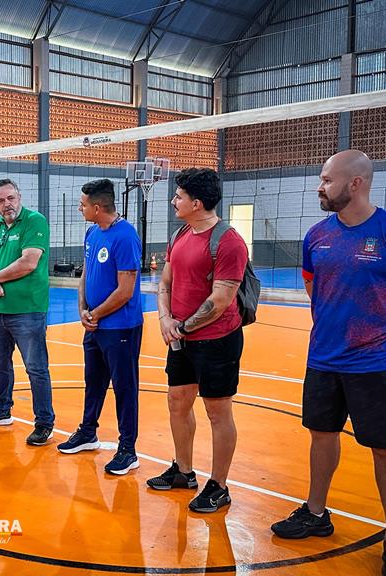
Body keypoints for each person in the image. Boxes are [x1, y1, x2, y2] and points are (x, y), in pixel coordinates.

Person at [271, 150, 386, 576]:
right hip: (324, 358)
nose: (319, 187)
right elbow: (315, 289)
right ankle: (316, 513)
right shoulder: (316, 236)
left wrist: (380, 327)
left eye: (327, 180)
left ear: (355, 183)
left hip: (377, 362)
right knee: (322, 436)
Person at [150, 167, 247, 513]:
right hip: (181, 338)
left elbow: (220, 300)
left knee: (218, 412)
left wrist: (181, 327)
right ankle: (183, 471)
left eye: (179, 196)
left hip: (217, 340)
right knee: (177, 402)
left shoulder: (229, 241)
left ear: (197, 203)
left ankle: (219, 486)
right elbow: (165, 282)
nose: (173, 201)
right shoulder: (180, 234)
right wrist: (165, 319)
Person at [57, 179, 143, 474]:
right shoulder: (92, 232)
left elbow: (125, 290)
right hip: (95, 325)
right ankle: (87, 432)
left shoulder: (126, 236)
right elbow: (86, 275)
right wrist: (83, 309)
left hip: (121, 327)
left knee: (124, 387)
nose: (79, 209)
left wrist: (95, 314)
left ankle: (128, 449)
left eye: (82, 205)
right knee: (93, 381)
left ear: (97, 207)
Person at [0, 178, 55, 446]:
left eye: (10, 198)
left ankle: (44, 423)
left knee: (36, 368)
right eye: (0, 200)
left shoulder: (34, 221)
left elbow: (28, 262)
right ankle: (1, 411)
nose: (6, 204)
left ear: (19, 197)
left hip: (28, 310)